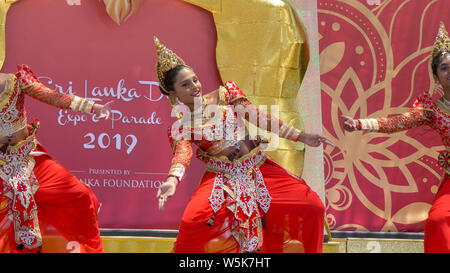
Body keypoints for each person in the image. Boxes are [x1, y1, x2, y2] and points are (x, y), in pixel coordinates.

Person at [154, 37, 332, 253]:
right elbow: (182, 155)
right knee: (193, 222)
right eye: (185, 84)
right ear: (173, 94)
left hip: (259, 169)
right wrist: (172, 181)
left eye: (195, 80)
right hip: (221, 178)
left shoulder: (225, 94)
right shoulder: (181, 126)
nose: (194, 86)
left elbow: (259, 117)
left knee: (313, 206)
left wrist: (300, 136)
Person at [341, 23, 450, 253]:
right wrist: (360, 123)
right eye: (444, 68)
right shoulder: (433, 109)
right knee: (438, 221)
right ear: (437, 77)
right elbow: (397, 122)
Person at [0, 64, 112, 253]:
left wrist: (93, 107)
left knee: (80, 194)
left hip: (29, 160)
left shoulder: (16, 80)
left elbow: (52, 96)